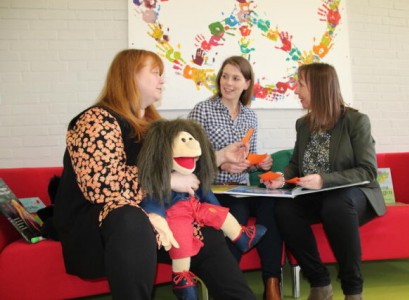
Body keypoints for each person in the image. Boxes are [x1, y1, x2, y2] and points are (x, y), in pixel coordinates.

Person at [53, 49, 257, 300]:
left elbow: (179, 168)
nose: (162, 80)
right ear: (130, 76)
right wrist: (167, 180)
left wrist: (222, 156)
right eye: (155, 73)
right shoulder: (95, 119)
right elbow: (101, 186)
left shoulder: (154, 126)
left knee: (206, 231)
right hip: (98, 225)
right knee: (131, 217)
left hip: (147, 218)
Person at [263, 62, 386, 300]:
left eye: (300, 85)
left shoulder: (356, 121)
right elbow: (296, 165)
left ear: (319, 87)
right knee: (284, 208)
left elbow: (368, 171)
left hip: (354, 195)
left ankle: (353, 290)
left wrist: (323, 180)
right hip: (315, 196)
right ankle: (319, 282)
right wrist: (282, 178)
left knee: (336, 204)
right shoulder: (303, 124)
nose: (296, 91)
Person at [188, 56, 284, 300]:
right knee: (238, 211)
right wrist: (223, 164)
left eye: (235, 78)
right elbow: (189, 157)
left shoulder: (250, 116)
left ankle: (272, 283)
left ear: (246, 83)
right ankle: (226, 288)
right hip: (213, 188)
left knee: (272, 204)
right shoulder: (203, 110)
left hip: (242, 187)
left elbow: (246, 161)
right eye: (224, 76)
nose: (228, 83)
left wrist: (259, 163)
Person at [138, 118, 267, 299]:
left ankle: (240, 236)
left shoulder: (153, 123)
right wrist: (159, 205)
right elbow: (151, 200)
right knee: (182, 239)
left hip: (196, 213)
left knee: (217, 224)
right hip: (168, 224)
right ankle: (181, 278)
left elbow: (208, 196)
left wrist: (220, 217)